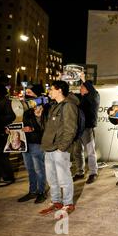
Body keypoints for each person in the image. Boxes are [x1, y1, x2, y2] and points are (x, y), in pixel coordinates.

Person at [39, 81, 78, 216]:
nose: (49, 92)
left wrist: (62, 148)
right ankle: (56, 201)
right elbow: (49, 128)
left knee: (64, 178)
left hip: (59, 149)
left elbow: (71, 129)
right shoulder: (54, 106)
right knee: (52, 179)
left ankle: (68, 203)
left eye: (52, 89)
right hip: (49, 147)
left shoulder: (68, 106)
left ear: (60, 90)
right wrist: (40, 116)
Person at [18, 83, 48, 203]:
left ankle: (41, 192)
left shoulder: (43, 105)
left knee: (39, 169)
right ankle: (32, 191)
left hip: (36, 141)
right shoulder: (25, 107)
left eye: (30, 92)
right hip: (25, 142)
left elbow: (45, 125)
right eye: (27, 92)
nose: (27, 94)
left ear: (36, 93)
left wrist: (33, 128)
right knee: (30, 169)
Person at [72, 72, 100, 184]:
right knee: (77, 151)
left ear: (88, 88)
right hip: (77, 129)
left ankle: (93, 173)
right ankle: (80, 172)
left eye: (82, 86)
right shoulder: (82, 98)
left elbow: (92, 91)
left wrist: (83, 79)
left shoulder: (94, 96)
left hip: (87, 128)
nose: (80, 88)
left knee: (90, 152)